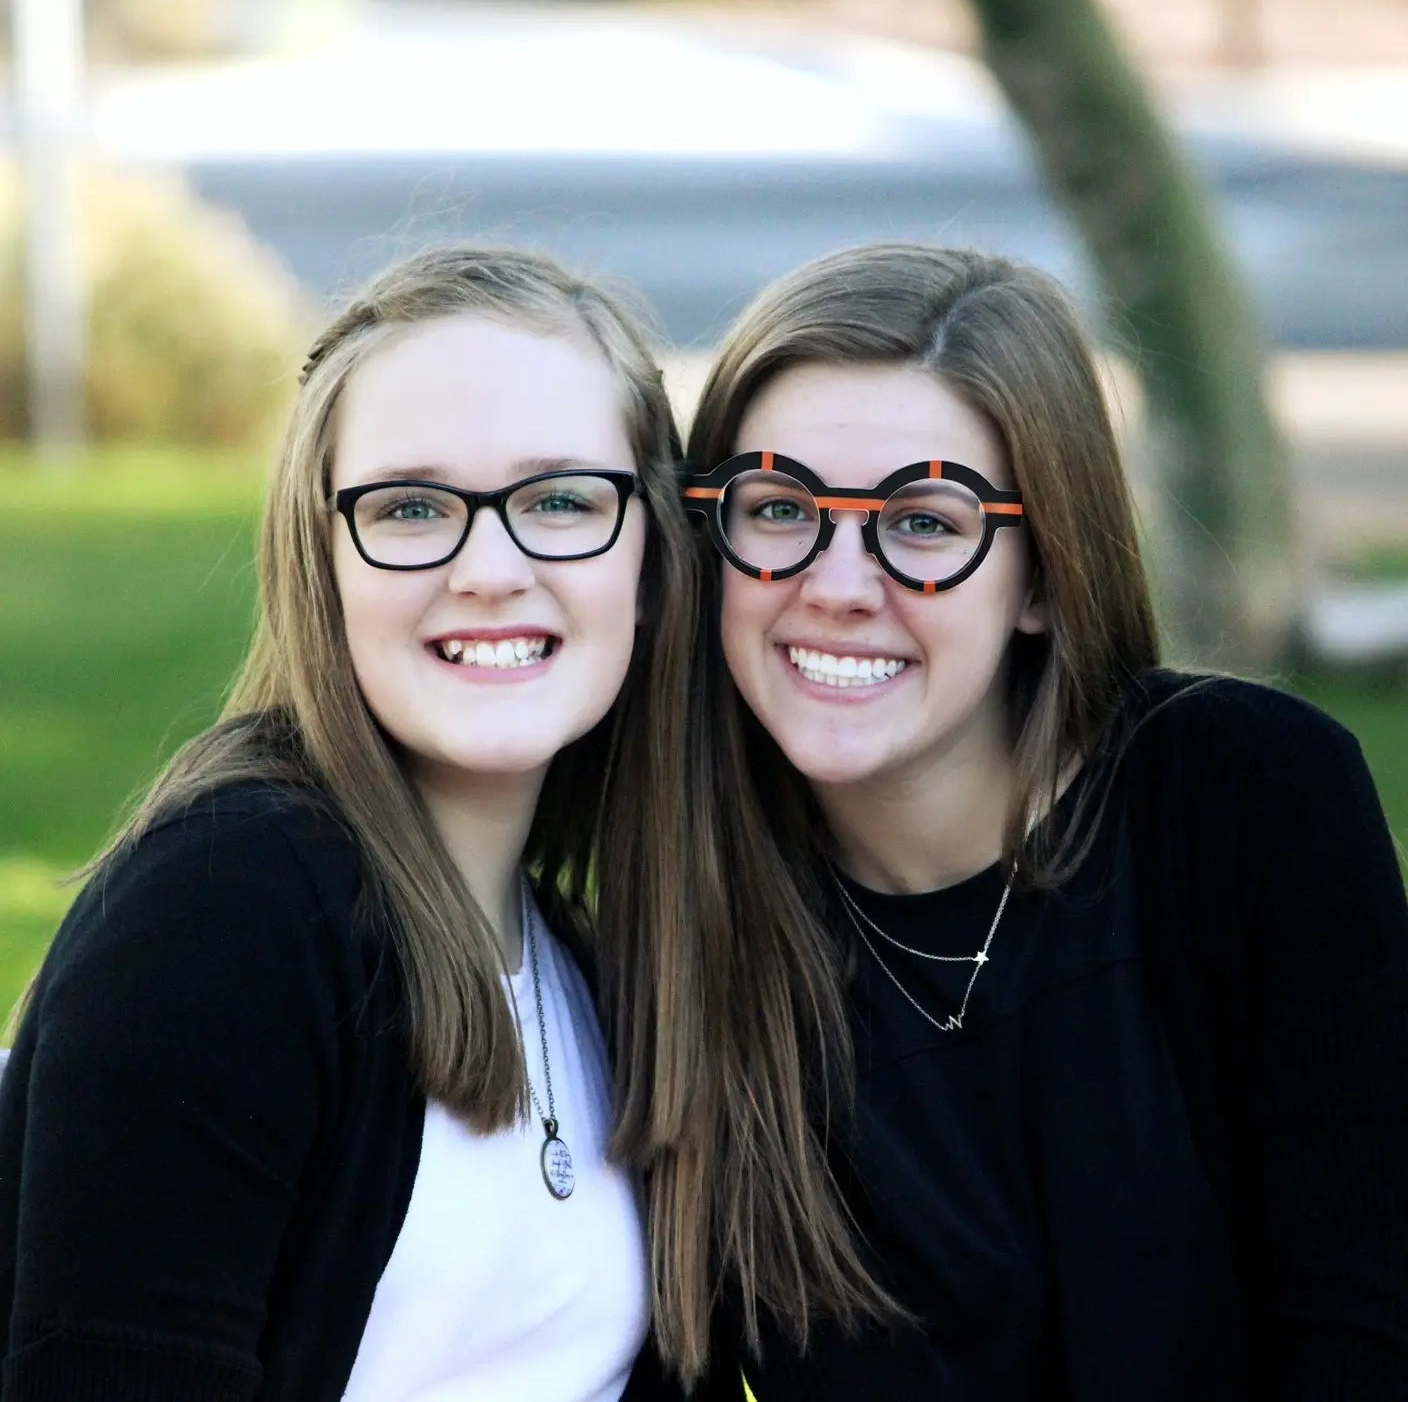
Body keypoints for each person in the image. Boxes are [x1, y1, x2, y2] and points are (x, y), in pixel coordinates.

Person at [665, 242, 1408, 1398]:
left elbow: (1367, 1323)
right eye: (779, 506)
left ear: (1048, 575)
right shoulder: (682, 923)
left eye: (922, 522)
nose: (838, 582)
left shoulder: (1245, 801)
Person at [0, 243, 702, 1400]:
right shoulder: (230, 917)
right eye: (413, 507)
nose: (490, 565)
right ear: (321, 560)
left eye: (562, 500)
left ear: (651, 558)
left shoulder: (587, 964)